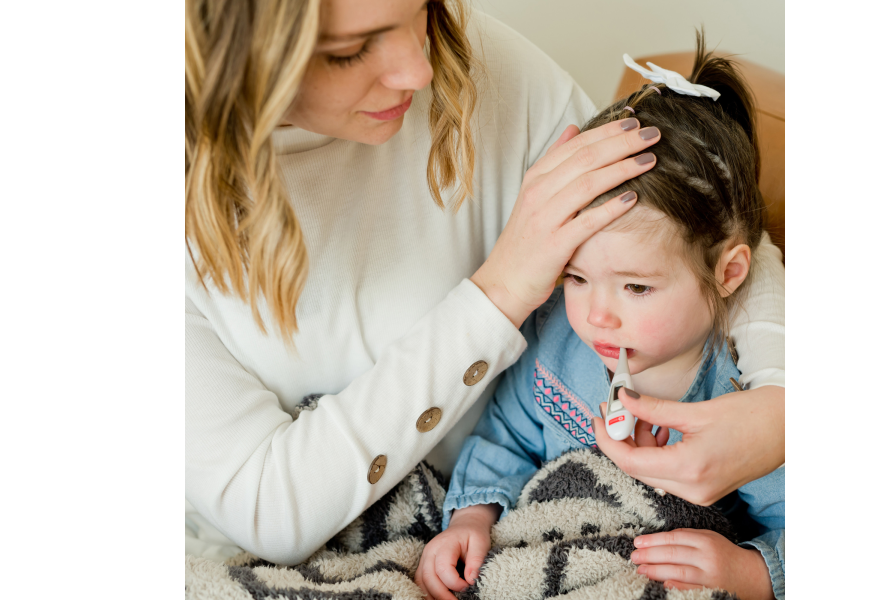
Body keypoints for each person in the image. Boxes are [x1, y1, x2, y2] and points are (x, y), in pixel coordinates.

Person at [184, 0, 786, 566]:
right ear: (231, 57)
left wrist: (776, 402)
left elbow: (699, 222)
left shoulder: (470, 58)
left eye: (422, 11)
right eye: (349, 50)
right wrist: (499, 293)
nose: (420, 71)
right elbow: (267, 509)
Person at [418, 39, 784, 600]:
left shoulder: (743, 402)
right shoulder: (556, 342)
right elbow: (506, 438)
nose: (596, 316)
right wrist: (471, 520)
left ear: (730, 273)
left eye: (637, 287)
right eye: (577, 278)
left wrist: (750, 572)